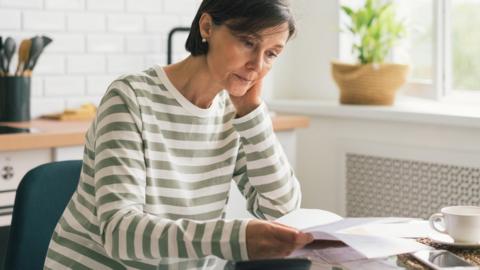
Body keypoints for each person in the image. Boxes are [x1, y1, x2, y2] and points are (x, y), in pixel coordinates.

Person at [44, 0, 313, 268]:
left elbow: (282, 211)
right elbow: (120, 233)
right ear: (207, 27)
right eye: (248, 42)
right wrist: (235, 237)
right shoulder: (131, 98)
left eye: (272, 54)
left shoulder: (235, 115)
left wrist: (253, 113)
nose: (257, 65)